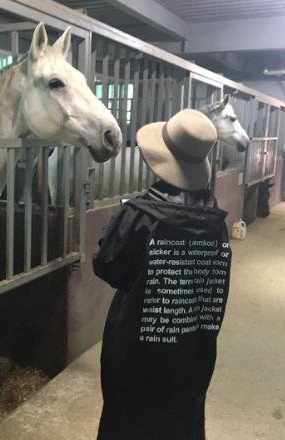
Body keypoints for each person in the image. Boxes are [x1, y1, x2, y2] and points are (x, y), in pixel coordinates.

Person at [93, 108, 232, 440]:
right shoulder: (215, 221)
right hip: (194, 347)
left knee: (128, 420)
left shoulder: (139, 216)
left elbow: (108, 266)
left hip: (136, 351)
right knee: (182, 419)